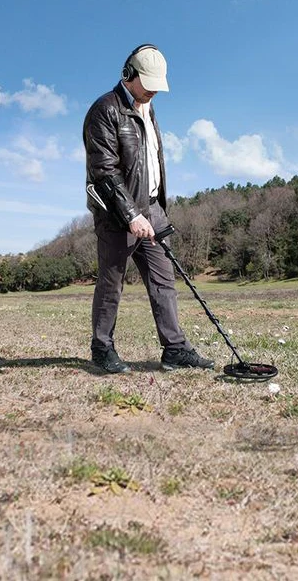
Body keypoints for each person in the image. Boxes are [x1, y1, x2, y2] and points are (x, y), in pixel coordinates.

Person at [83, 44, 214, 375]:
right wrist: (131, 215)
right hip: (117, 213)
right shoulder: (105, 110)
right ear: (128, 75)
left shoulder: (148, 109)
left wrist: (154, 210)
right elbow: (105, 171)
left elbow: (149, 165)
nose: (154, 90)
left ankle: (175, 349)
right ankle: (102, 348)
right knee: (112, 281)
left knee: (163, 279)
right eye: (149, 83)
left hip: (153, 209)